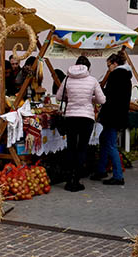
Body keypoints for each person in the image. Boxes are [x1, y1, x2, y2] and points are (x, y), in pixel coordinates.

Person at [55, 55, 105, 191]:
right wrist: (90, 98)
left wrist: (71, 98)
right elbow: (102, 100)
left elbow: (59, 97)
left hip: (71, 117)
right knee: (82, 148)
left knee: (71, 147)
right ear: (88, 67)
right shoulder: (92, 80)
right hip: (86, 118)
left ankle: (69, 179)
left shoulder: (67, 79)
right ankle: (76, 180)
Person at [92, 52, 132, 185]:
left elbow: (108, 96)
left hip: (112, 115)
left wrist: (99, 91)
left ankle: (118, 175)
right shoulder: (126, 76)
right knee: (104, 139)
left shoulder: (116, 75)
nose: (108, 68)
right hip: (119, 115)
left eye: (109, 65)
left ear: (115, 64)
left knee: (110, 144)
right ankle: (101, 169)